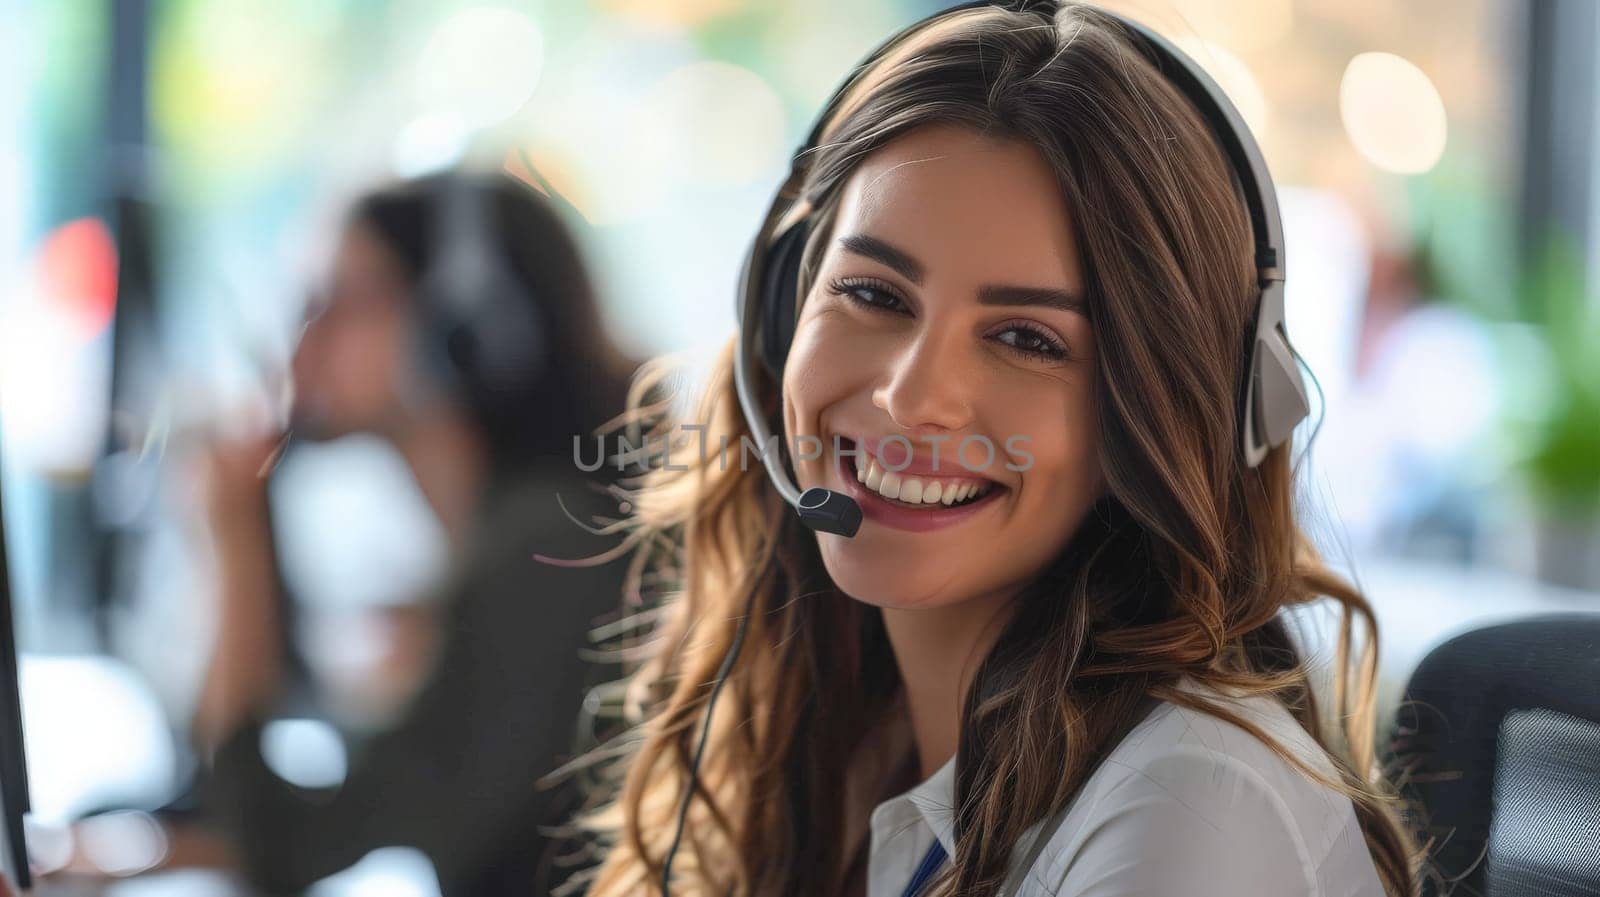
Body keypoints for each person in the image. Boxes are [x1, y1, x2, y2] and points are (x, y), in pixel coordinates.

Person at [556, 4, 1424, 897]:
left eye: (1027, 339)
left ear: (1162, 411)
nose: (909, 397)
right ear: (783, 312)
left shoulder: (1187, 810)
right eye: (872, 292)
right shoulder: (842, 741)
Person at [188, 170, 638, 895]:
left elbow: (288, 854)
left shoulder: (550, 551)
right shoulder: (540, 532)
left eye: (340, 301)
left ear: (464, 328)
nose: (302, 339)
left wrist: (236, 539)